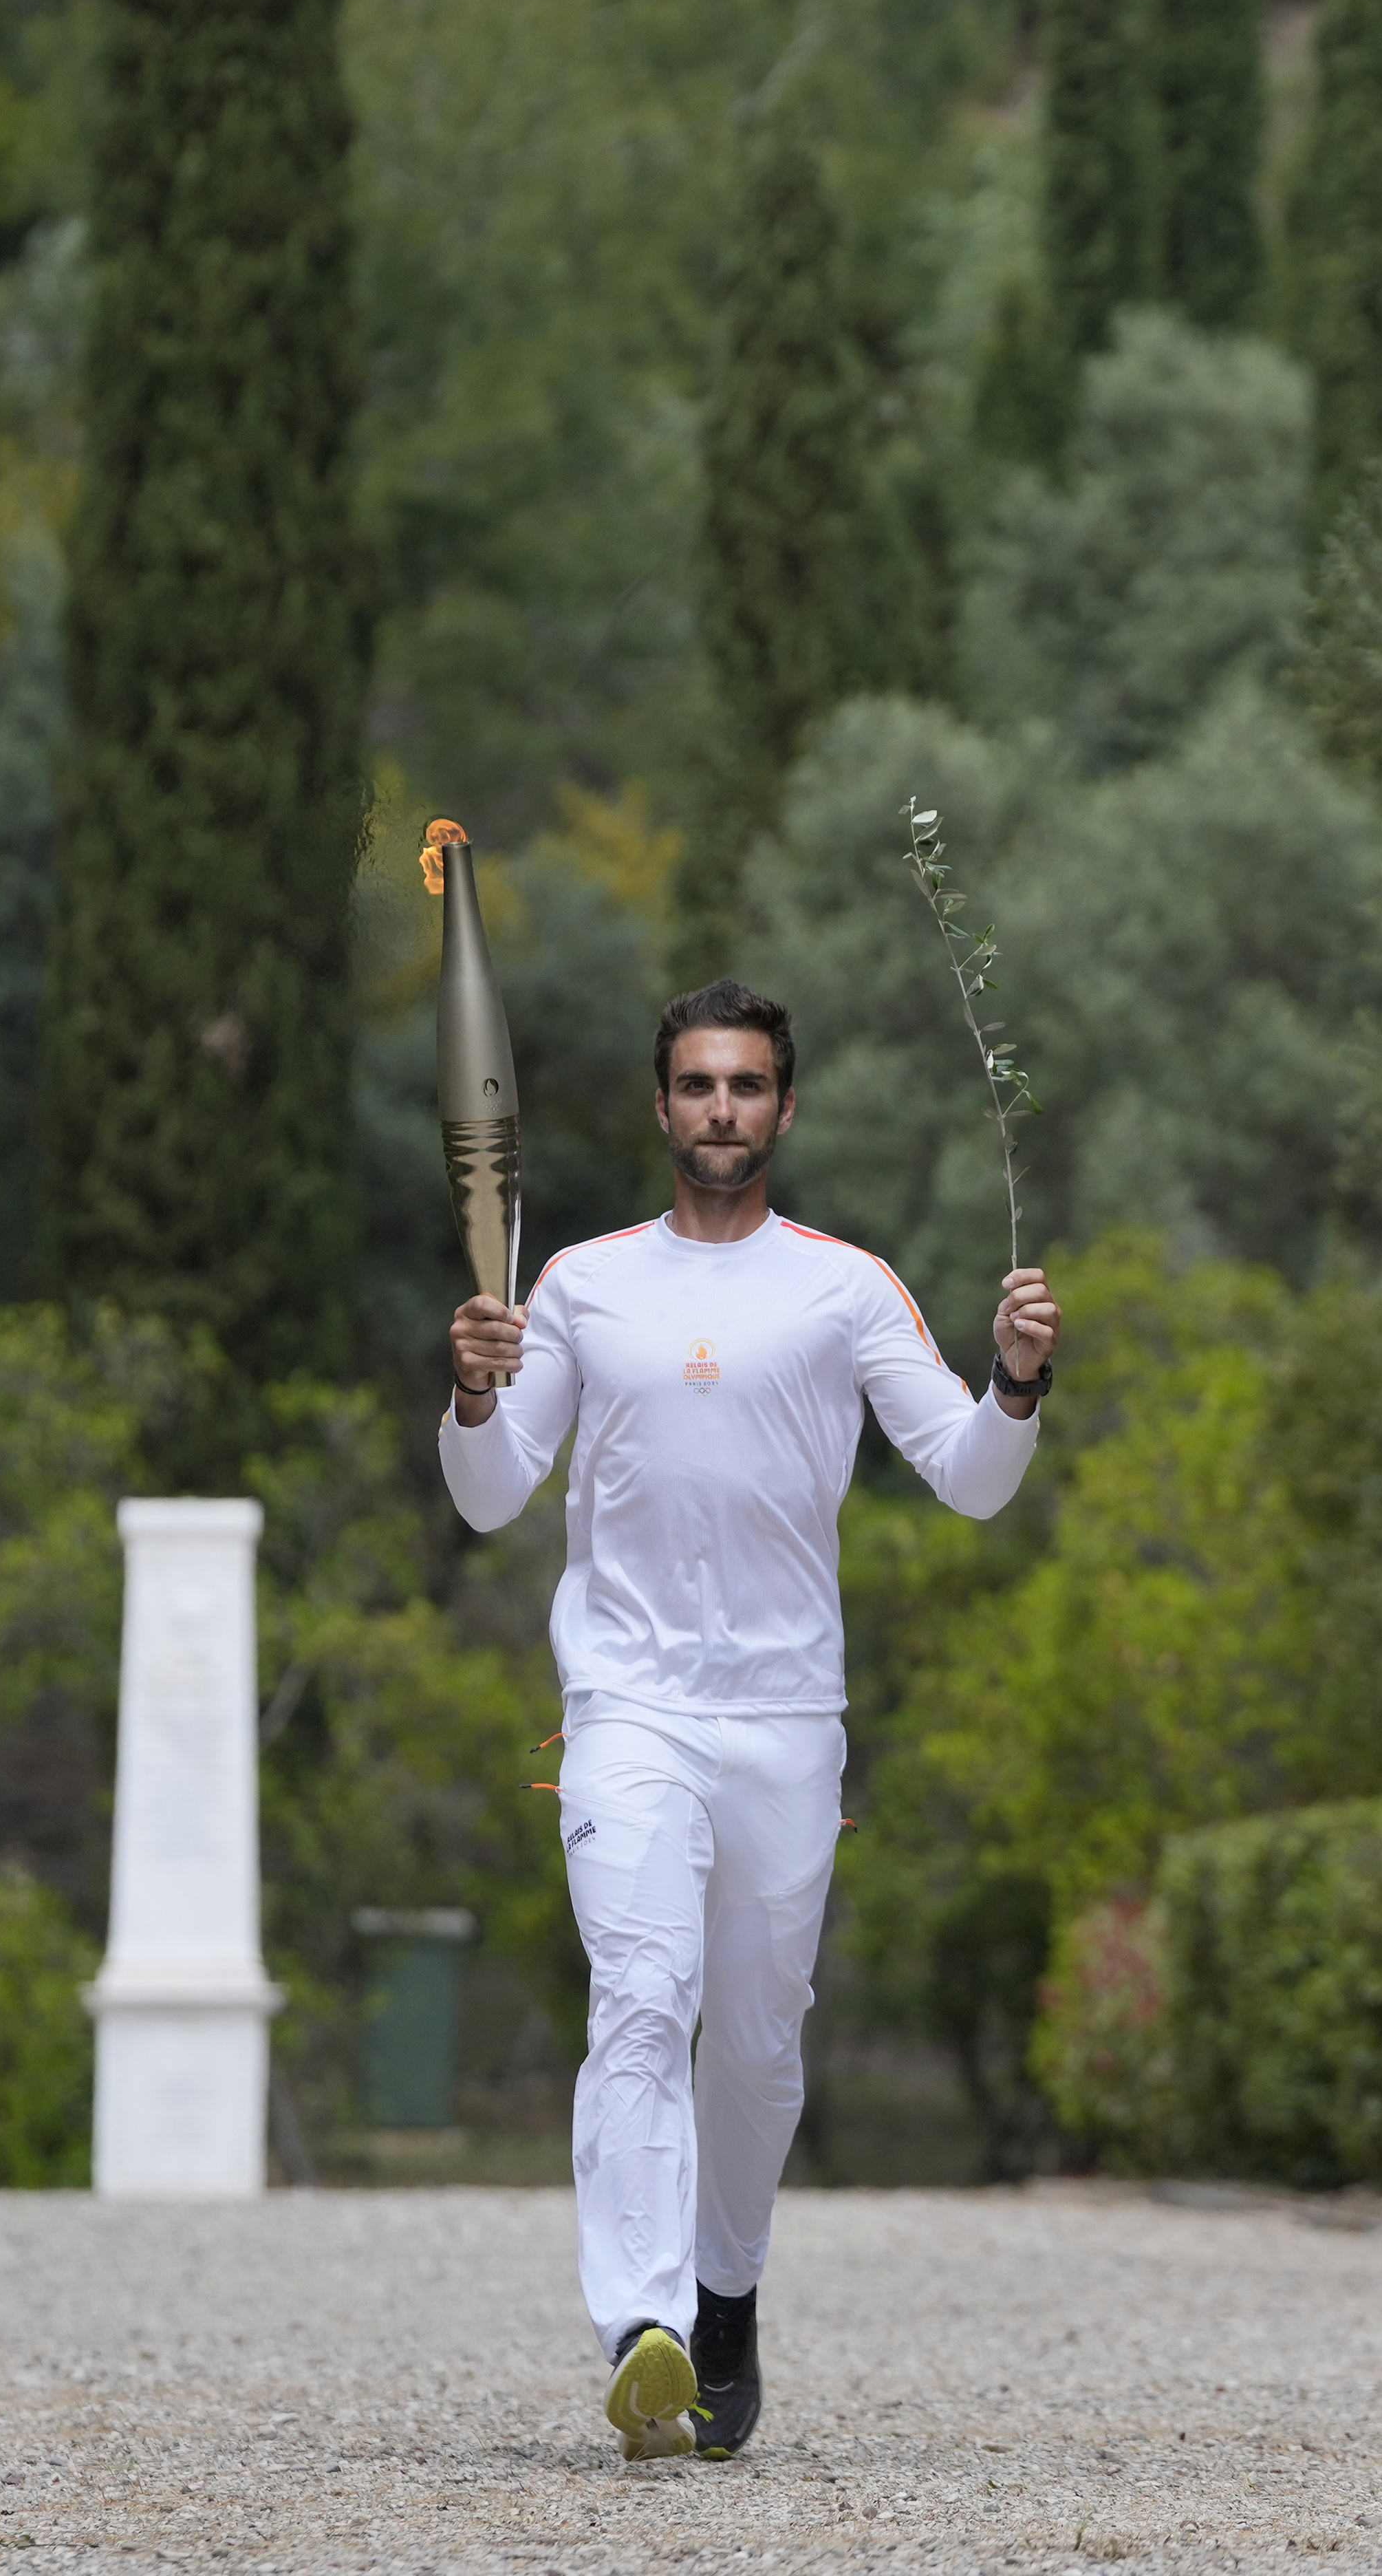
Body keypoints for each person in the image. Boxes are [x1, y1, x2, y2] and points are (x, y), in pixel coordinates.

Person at [439, 976, 1060, 2463]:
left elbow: (970, 1477)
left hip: (788, 1716)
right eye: (698, 1085)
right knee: (642, 1998)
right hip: (630, 1708)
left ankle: (725, 2294)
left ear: (784, 1106)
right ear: (661, 1106)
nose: (722, 1108)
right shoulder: (581, 1284)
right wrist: (469, 1394)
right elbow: (486, 1492)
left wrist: (1020, 1377)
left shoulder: (843, 1287)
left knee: (758, 2048)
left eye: (748, 1085)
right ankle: (642, 2322)